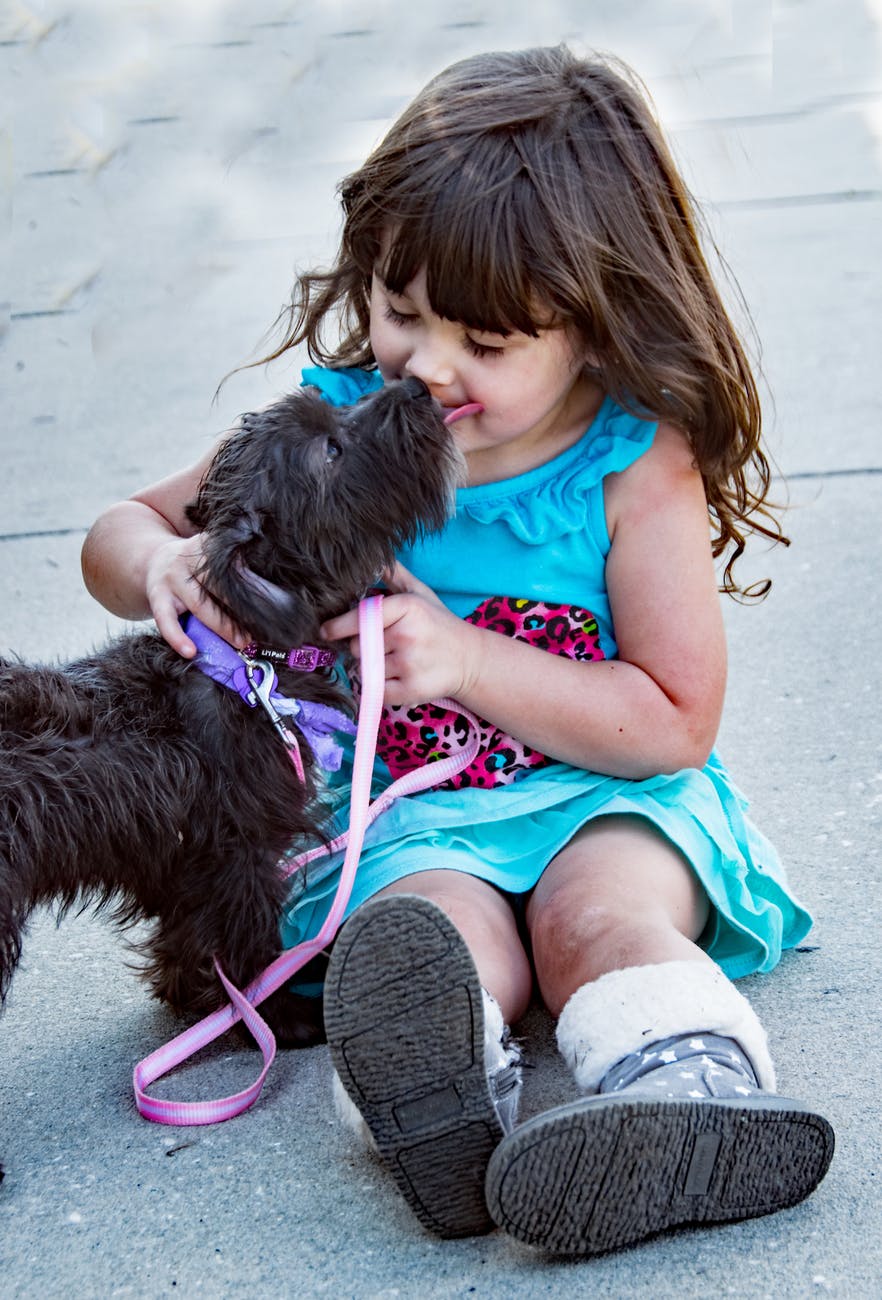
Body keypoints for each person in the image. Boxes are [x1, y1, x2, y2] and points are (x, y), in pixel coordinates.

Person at [82, 45, 834, 1255]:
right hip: (412, 816)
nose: (428, 368)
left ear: (594, 328)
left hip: (603, 792)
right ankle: (436, 1105)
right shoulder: (337, 421)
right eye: (401, 312)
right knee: (430, 934)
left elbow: (674, 719)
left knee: (595, 917)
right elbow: (122, 527)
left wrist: (473, 662)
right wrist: (161, 565)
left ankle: (690, 1098)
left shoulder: (633, 462)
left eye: (483, 341)